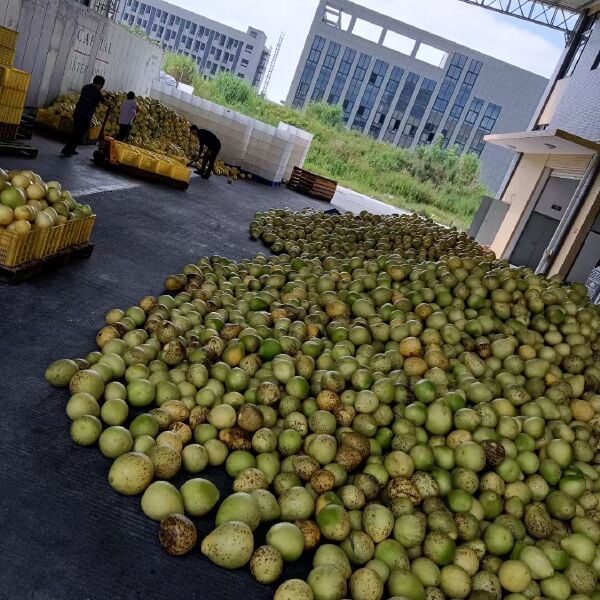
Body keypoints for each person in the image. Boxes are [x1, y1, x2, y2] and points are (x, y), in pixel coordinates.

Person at [61, 75, 109, 157]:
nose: (102, 87)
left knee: (76, 131)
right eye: (102, 85)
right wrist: (110, 102)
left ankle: (71, 149)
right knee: (79, 133)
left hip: (78, 112)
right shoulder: (96, 92)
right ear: (100, 84)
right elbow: (105, 102)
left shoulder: (86, 87)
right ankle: (67, 150)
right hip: (85, 115)